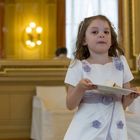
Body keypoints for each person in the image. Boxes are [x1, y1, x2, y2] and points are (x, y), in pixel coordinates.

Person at [64, 15, 140, 140]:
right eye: (95, 32)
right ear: (84, 40)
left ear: (111, 40)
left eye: (106, 32)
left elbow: (123, 104)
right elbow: (70, 105)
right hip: (87, 128)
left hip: (115, 126)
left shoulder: (121, 63)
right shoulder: (77, 66)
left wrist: (131, 96)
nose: (101, 35)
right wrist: (80, 88)